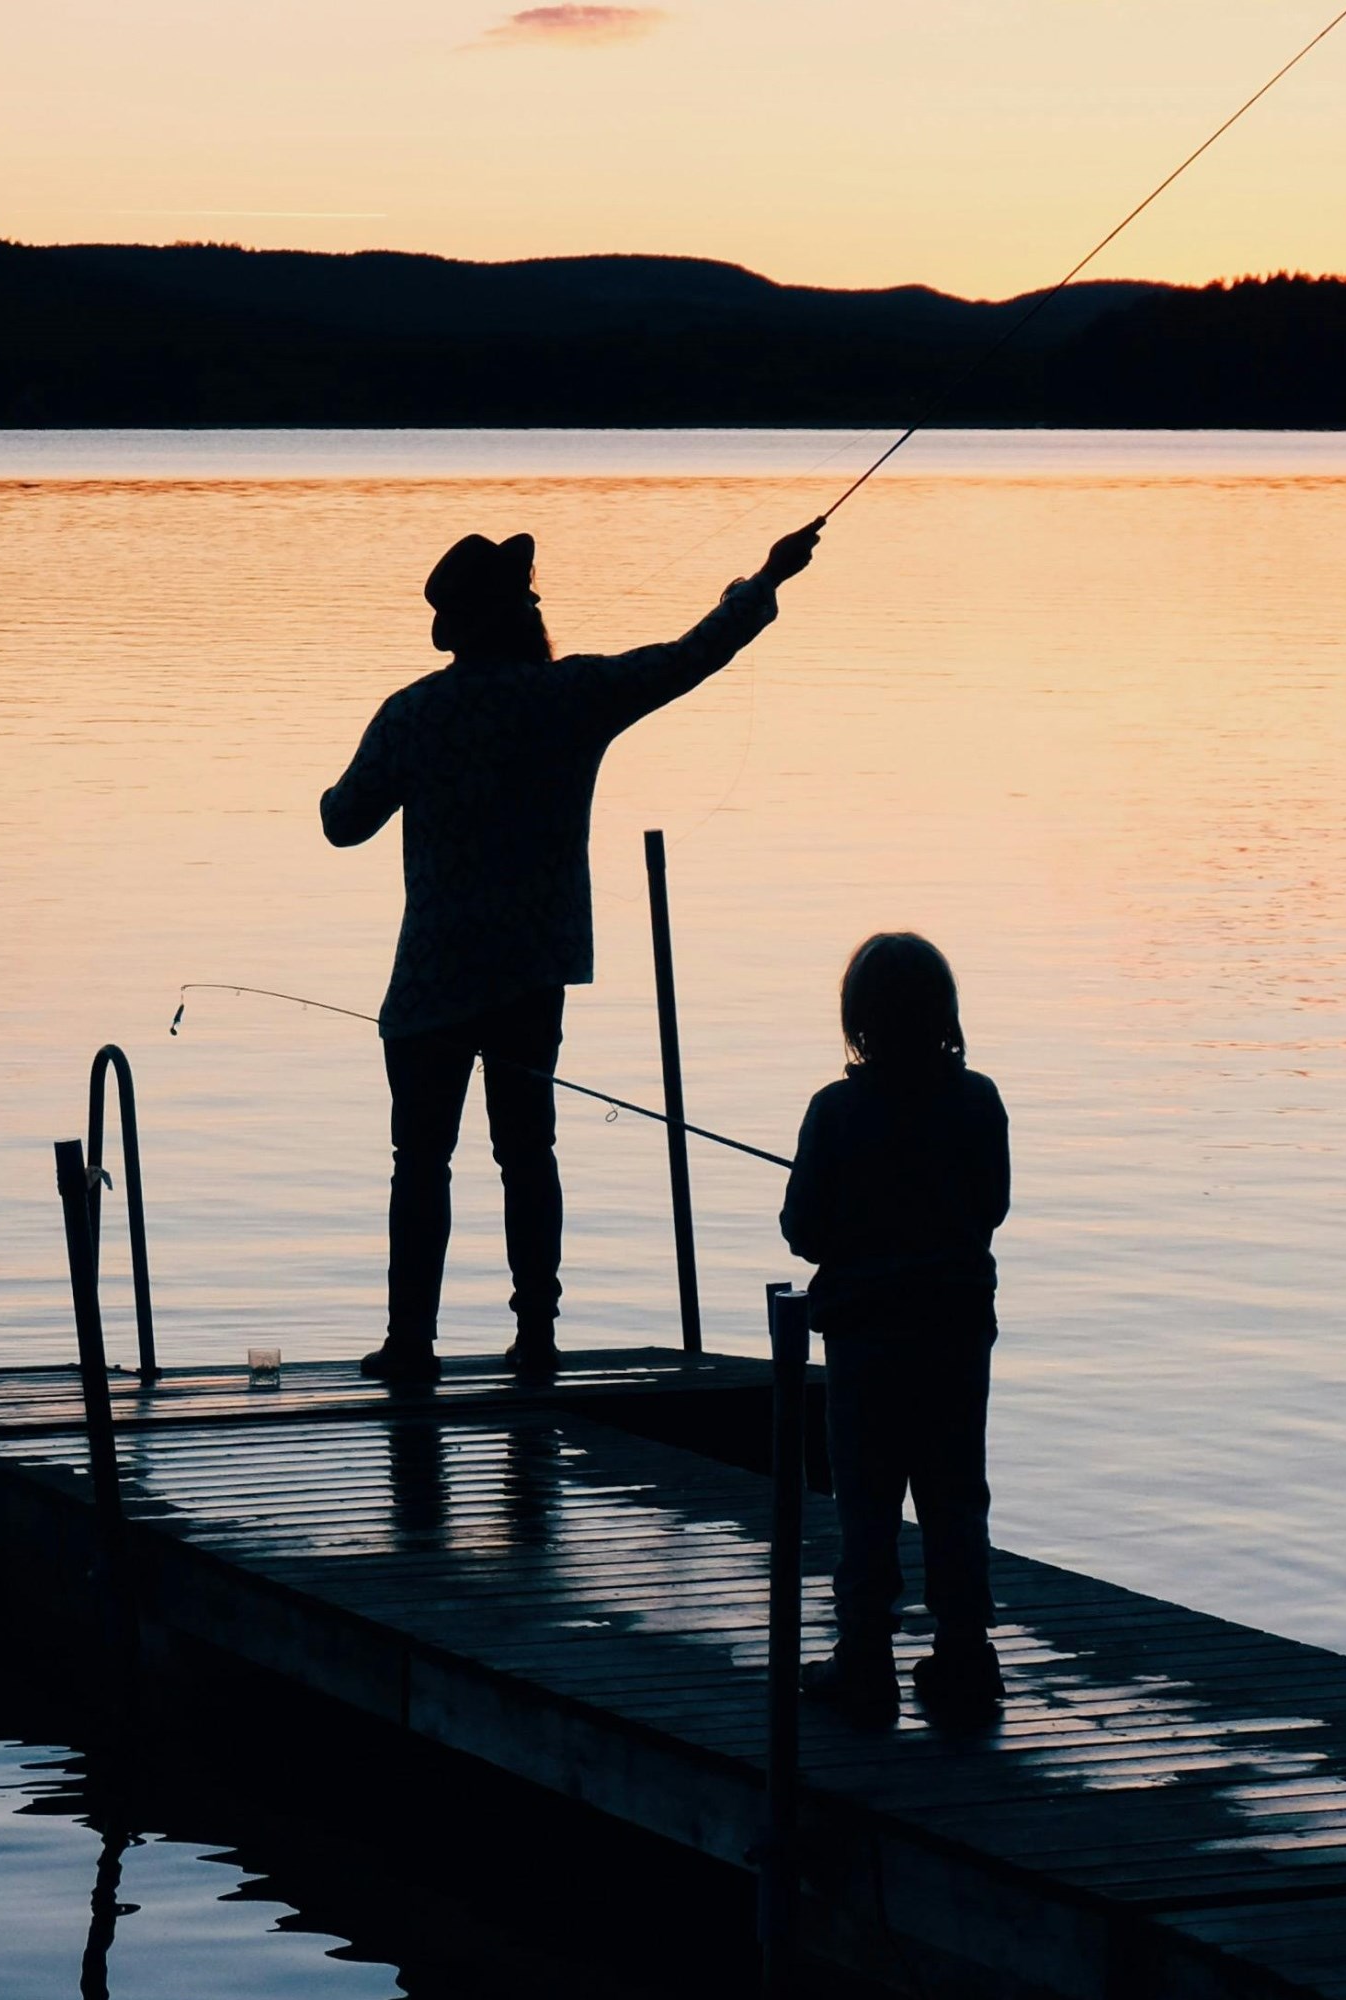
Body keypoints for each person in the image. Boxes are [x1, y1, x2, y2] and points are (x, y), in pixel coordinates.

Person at [323, 518, 822, 1385]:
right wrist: (767, 580)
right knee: (528, 1154)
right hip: (529, 976)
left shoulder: (410, 714)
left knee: (420, 1164)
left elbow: (341, 823)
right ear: (521, 615)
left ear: (453, 629)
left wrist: (359, 779)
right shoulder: (571, 698)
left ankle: (411, 1343)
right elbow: (690, 656)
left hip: (431, 983)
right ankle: (538, 1336)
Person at [779, 932, 1010, 1728]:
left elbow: (802, 1230)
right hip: (953, 1335)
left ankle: (865, 1657)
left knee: (867, 1497)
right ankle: (966, 1653)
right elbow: (991, 1208)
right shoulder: (978, 1100)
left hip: (865, 1339)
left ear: (859, 1021)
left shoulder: (835, 1111)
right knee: (955, 1492)